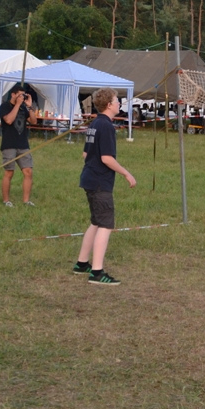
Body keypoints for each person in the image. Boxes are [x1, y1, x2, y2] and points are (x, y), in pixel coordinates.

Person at [74, 87, 137, 285]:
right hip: (100, 182)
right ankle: (97, 272)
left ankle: (81, 263)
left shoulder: (94, 123)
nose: (119, 104)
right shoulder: (107, 126)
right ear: (109, 105)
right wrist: (126, 173)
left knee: (96, 222)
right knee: (106, 225)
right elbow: (107, 158)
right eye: (117, 100)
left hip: (89, 179)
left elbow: (85, 154)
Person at [0, 84, 38, 206]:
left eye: (23, 95)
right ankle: (6, 201)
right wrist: (17, 105)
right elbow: (9, 120)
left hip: (23, 144)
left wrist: (29, 106)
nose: (22, 98)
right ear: (13, 95)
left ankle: (26, 201)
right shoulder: (4, 106)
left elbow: (33, 121)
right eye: (19, 95)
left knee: (28, 172)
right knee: (9, 172)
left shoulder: (23, 108)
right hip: (9, 144)